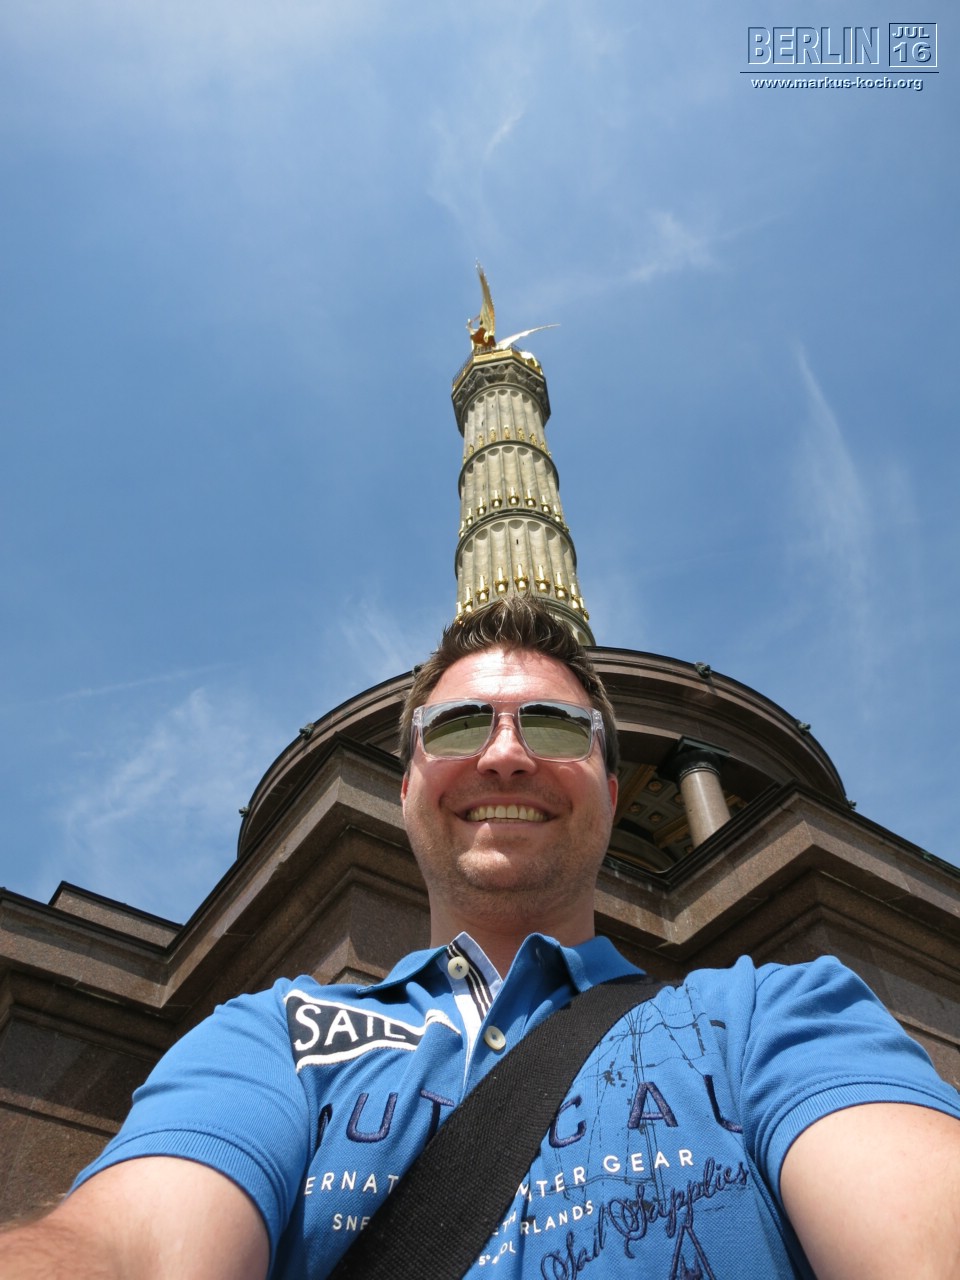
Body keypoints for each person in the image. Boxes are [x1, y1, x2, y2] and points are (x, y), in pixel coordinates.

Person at [1, 598, 959, 1279]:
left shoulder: (768, 1016)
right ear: (406, 789)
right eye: (460, 727)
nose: (505, 753)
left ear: (612, 791)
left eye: (554, 726)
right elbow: (136, 1241)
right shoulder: (277, 1039)